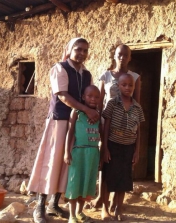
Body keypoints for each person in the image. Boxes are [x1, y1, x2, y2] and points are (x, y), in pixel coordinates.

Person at [27, 38, 100, 223]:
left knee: (68, 164)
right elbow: (63, 96)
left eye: (85, 50)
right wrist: (87, 110)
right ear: (69, 49)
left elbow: (87, 98)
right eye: (78, 49)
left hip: (78, 124)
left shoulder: (86, 74)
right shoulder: (60, 68)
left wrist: (91, 114)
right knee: (51, 161)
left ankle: (54, 204)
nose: (82, 53)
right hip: (60, 121)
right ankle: (39, 207)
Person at [92, 44, 141, 220]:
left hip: (127, 129)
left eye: (126, 55)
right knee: (105, 166)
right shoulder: (106, 76)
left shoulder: (135, 77)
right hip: (107, 125)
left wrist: (137, 146)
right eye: (119, 54)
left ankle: (117, 204)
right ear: (114, 55)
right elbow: (99, 102)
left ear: (130, 57)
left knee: (121, 168)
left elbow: (137, 105)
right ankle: (103, 202)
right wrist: (98, 123)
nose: (122, 57)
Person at [102, 73, 145, 221]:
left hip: (128, 147)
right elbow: (106, 125)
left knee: (124, 180)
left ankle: (119, 208)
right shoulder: (112, 103)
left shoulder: (137, 107)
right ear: (118, 86)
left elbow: (138, 130)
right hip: (113, 146)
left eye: (130, 85)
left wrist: (136, 151)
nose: (127, 88)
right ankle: (105, 208)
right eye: (124, 85)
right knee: (108, 178)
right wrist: (105, 148)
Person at [64, 85, 102, 223]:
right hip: (78, 152)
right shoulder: (76, 113)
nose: (93, 99)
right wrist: (66, 152)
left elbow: (101, 135)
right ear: (83, 97)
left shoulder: (98, 115)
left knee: (86, 184)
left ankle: (80, 213)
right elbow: (70, 132)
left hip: (93, 154)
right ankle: (72, 216)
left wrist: (101, 156)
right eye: (90, 96)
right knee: (75, 183)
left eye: (96, 97)